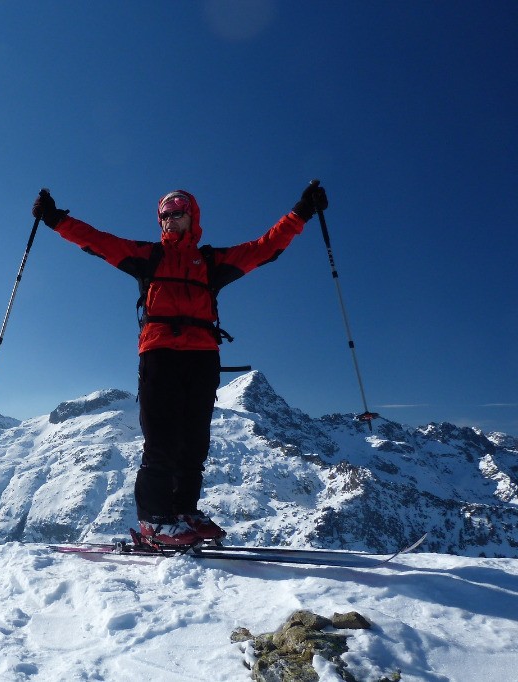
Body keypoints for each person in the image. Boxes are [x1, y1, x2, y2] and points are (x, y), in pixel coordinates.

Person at [32, 182, 328, 546]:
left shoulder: (210, 262)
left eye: (179, 213)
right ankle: (155, 520)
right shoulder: (149, 257)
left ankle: (183, 510)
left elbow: (264, 249)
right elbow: (99, 242)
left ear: (193, 217)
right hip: (159, 353)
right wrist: (56, 219)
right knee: (162, 439)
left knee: (194, 441)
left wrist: (300, 213)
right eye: (166, 215)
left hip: (203, 357)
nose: (172, 220)